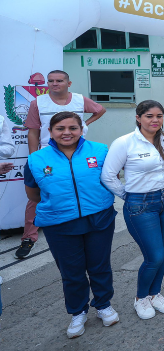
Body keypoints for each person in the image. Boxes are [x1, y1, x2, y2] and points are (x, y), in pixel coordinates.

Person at [24, 111, 118, 338]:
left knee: (99, 266)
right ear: (50, 132)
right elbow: (33, 193)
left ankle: (103, 304)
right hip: (60, 223)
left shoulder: (100, 151)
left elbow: (112, 178)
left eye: (73, 128)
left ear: (81, 129)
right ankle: (78, 312)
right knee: (72, 272)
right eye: (60, 129)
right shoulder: (37, 159)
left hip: (99, 219)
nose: (67, 133)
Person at [17, 70, 106, 259]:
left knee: (78, 190)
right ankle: (29, 237)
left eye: (59, 81)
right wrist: (35, 157)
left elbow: (100, 109)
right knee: (37, 197)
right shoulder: (38, 103)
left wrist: (85, 123)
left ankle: (83, 228)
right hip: (48, 155)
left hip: (77, 153)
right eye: (50, 81)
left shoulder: (80, 100)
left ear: (69, 83)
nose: (54, 84)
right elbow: (32, 132)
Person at [102, 100, 164, 320]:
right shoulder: (124, 143)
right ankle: (141, 298)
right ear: (138, 118)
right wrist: (129, 195)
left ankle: (155, 294)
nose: (155, 120)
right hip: (141, 205)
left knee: (162, 252)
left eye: (159, 116)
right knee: (153, 256)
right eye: (149, 116)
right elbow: (108, 176)